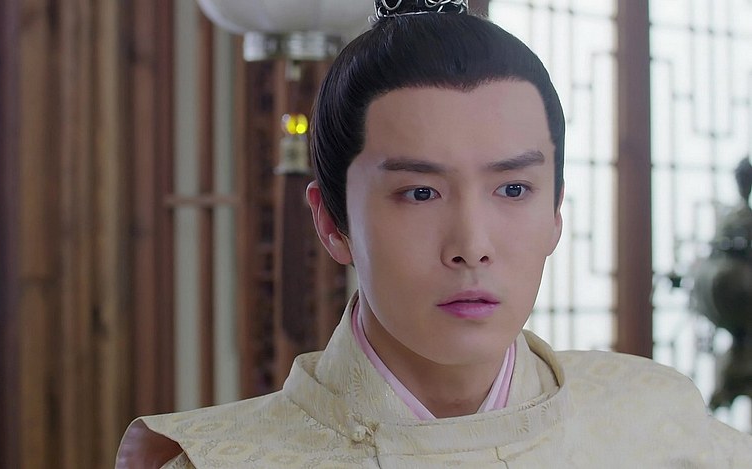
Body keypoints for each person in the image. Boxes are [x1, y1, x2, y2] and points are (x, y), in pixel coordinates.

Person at [116, 1, 752, 467]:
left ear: (557, 212)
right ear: (331, 223)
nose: (471, 245)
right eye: (420, 193)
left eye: (513, 190)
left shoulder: (661, 425)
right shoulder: (220, 459)